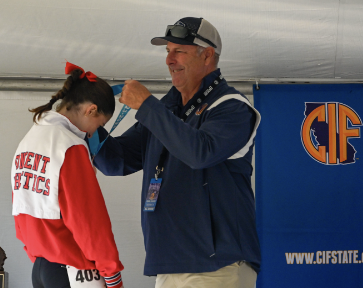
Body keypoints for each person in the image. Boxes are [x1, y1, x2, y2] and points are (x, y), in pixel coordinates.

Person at [93, 17, 261, 288]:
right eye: (167, 51)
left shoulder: (231, 107)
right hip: (168, 265)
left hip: (217, 267)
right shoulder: (168, 110)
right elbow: (117, 161)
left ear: (207, 55)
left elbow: (200, 153)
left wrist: (148, 105)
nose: (169, 60)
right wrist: (87, 120)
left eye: (179, 51)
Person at [11, 62, 124, 288]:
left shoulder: (28, 140)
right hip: (73, 270)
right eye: (99, 124)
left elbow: (19, 208)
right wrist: (112, 275)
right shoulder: (70, 147)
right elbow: (89, 221)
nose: (93, 132)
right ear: (91, 109)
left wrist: (39, 256)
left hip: (41, 267)